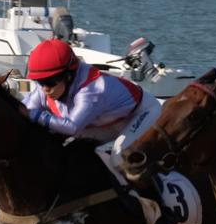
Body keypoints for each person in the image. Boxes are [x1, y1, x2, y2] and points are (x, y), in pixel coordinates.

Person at [22, 38, 160, 161]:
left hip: (141, 113)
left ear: (68, 76)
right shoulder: (47, 86)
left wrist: (36, 115)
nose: (45, 89)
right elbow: (23, 109)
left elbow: (71, 127)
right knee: (67, 150)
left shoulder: (91, 90)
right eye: (40, 82)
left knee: (118, 157)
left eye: (50, 82)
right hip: (105, 121)